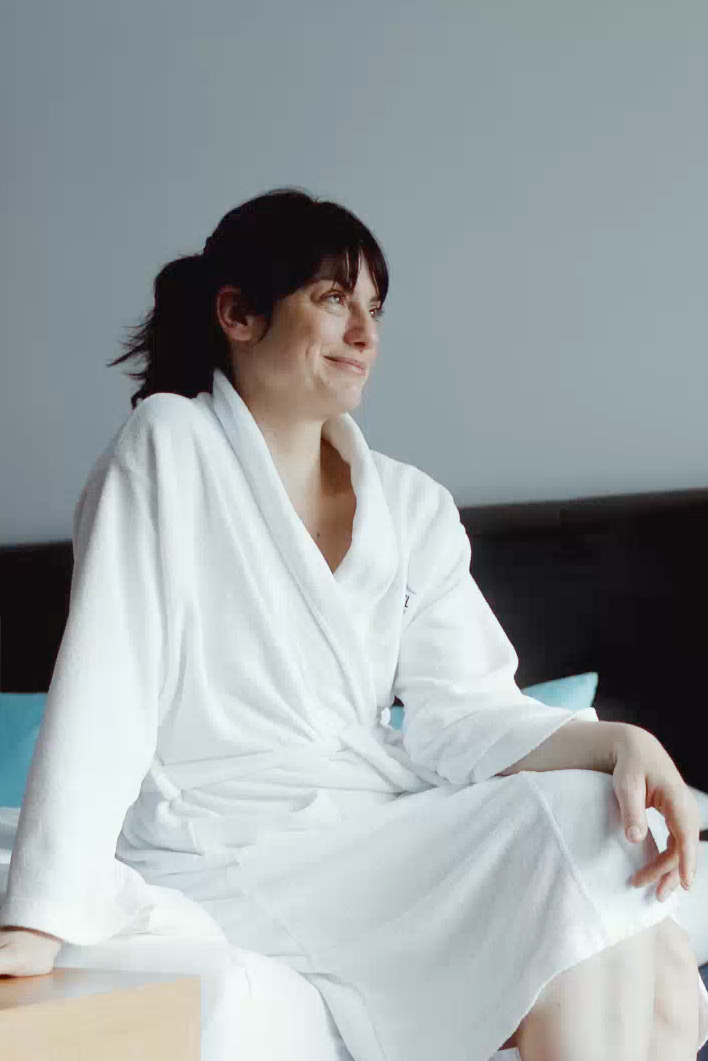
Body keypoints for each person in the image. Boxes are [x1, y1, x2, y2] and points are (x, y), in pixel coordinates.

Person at [0, 186, 706, 1061]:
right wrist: (40, 914)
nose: (365, 333)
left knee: (626, 890)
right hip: (223, 836)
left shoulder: (411, 504)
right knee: (598, 863)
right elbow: (109, 684)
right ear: (238, 314)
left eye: (374, 308)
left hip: (372, 833)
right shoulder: (169, 447)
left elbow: (465, 715)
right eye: (333, 299)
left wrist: (618, 742)